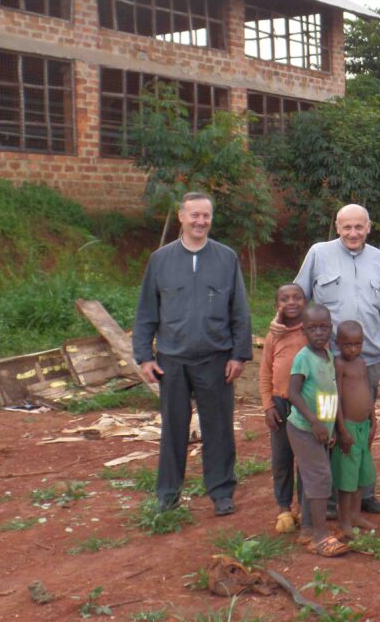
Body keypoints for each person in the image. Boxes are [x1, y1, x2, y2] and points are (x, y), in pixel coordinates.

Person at [133, 191, 251, 516]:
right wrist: (144, 356)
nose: (201, 221)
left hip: (216, 358)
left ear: (211, 219)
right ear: (182, 217)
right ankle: (168, 494)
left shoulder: (226, 258)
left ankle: (222, 492)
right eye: (194, 215)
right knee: (173, 428)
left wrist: (239, 355)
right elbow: (146, 312)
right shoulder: (161, 260)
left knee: (219, 428)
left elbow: (239, 311)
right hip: (172, 360)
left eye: (206, 216)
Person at [294, 203, 380, 515]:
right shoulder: (319, 253)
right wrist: (282, 331)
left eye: (359, 227)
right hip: (328, 364)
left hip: (367, 363)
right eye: (347, 227)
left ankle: (362, 493)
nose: (353, 233)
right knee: (327, 427)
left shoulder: (378, 257)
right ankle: (325, 500)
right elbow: (296, 295)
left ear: (368, 227)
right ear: (337, 227)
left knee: (361, 425)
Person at [286, 305, 347, 557]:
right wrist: (313, 421)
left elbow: (330, 394)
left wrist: (333, 427)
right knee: (320, 478)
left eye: (324, 327)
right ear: (304, 330)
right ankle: (320, 536)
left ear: (330, 328)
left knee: (313, 479)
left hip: (322, 429)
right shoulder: (304, 357)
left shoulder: (329, 355)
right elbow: (292, 392)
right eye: (313, 328)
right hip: (303, 428)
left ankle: (309, 529)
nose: (319, 332)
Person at [258, 283, 307, 533]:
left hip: (308, 406)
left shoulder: (313, 332)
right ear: (277, 306)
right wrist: (268, 405)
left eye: (297, 297)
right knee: (282, 458)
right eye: (285, 298)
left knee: (307, 458)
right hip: (280, 403)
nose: (291, 302)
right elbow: (266, 371)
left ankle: (306, 509)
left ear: (305, 302)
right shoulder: (273, 336)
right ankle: (284, 507)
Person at [331, 320, 379, 537]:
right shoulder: (339, 364)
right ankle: (344, 521)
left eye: (357, 344)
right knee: (347, 479)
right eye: (348, 345)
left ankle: (356, 514)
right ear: (338, 343)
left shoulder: (361, 363)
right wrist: (342, 430)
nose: (353, 349)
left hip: (364, 426)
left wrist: (373, 419)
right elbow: (337, 398)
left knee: (360, 474)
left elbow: (367, 390)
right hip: (349, 427)